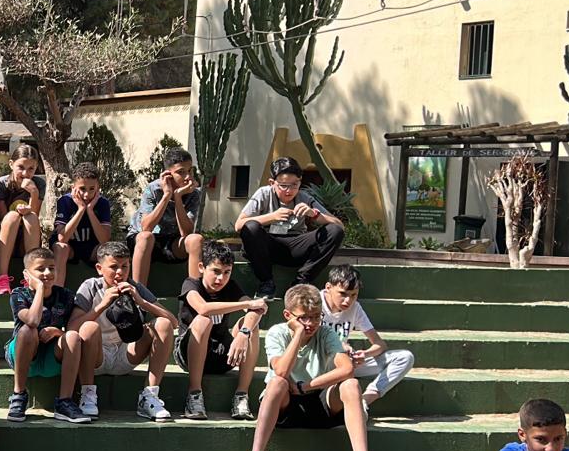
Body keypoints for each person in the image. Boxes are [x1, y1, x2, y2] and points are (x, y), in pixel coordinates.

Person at [234, 284, 387, 451]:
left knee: (351, 384)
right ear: (288, 315)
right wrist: (297, 335)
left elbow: (347, 368)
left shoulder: (326, 334)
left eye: (316, 317)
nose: (311, 323)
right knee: (277, 382)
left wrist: (306, 386)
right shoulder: (278, 333)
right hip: (285, 405)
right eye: (303, 318)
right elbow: (281, 370)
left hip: (319, 401)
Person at [71, 240, 178, 422]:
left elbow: (174, 322)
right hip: (96, 356)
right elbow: (73, 328)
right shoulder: (90, 287)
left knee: (163, 324)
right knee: (89, 327)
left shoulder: (134, 287)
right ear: (99, 268)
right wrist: (102, 305)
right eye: (114, 267)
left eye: (124, 266)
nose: (120, 272)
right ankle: (87, 394)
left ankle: (149, 396)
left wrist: (141, 301)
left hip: (126, 353)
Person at [177, 241, 266, 421]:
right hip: (189, 355)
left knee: (250, 326)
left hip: (222, 355)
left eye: (227, 272)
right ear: (201, 267)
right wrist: (247, 303)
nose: (221, 279)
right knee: (203, 320)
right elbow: (203, 308)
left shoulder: (231, 286)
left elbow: (257, 309)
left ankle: (241, 395)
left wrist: (244, 333)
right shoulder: (191, 284)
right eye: (216, 271)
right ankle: (194, 394)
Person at [235, 157, 346, 298]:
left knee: (335, 231)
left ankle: (301, 281)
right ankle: (266, 282)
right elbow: (239, 225)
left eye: (295, 184)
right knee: (251, 227)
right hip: (268, 248)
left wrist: (313, 214)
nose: (289, 191)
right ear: (272, 183)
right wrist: (271, 217)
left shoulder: (304, 197)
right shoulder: (263, 194)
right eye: (283, 185)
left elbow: (339, 225)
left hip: (296, 246)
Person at [4, 247, 88, 423]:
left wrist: (57, 332)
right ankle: (18, 394)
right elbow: (32, 320)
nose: (48, 273)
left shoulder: (65, 295)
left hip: (51, 356)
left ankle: (64, 401)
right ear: (27, 274)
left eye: (51, 268)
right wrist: (40, 289)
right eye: (40, 269)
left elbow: (73, 329)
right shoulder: (19, 294)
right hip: (24, 356)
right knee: (28, 330)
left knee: (72, 336)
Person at [321, 265, 414, 412]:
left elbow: (379, 344)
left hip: (345, 363)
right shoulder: (314, 302)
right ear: (328, 287)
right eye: (343, 294)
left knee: (405, 357)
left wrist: (364, 354)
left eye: (354, 295)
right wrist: (339, 347)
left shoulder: (355, 308)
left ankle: (364, 401)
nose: (348, 301)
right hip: (317, 361)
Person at [129, 147, 204, 286]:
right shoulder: (153, 189)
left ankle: (195, 293)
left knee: (195, 239)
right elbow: (146, 227)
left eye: (190, 171)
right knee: (146, 237)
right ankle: (138, 293)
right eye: (181, 172)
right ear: (168, 174)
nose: (188, 177)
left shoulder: (194, 194)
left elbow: (186, 233)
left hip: (171, 243)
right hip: (143, 242)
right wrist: (167, 195)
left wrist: (178, 197)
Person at [0, 143, 45, 295]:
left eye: (31, 169)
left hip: (26, 240)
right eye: (21, 167)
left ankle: (31, 276)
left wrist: (34, 194)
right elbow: (3, 218)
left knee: (31, 217)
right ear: (11, 164)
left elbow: (34, 216)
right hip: (3, 238)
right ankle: (2, 277)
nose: (25, 173)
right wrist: (18, 213)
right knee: (13, 216)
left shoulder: (39, 184)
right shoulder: (1, 184)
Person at [51, 161, 111, 287]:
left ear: (98, 187)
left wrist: (90, 211)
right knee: (60, 247)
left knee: (108, 251)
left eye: (92, 189)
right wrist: (81, 209)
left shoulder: (103, 203)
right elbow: (62, 238)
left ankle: (109, 290)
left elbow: (104, 240)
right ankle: (57, 292)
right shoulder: (65, 201)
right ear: (73, 187)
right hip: (70, 247)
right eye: (82, 189)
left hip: (92, 247)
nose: (86, 194)